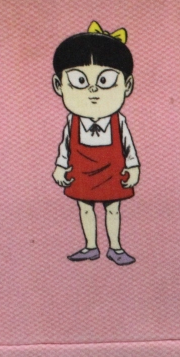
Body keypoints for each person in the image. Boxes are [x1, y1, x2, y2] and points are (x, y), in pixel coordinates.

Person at [52, 22, 141, 265]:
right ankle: (90, 246)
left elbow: (128, 148)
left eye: (105, 81)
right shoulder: (72, 122)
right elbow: (65, 148)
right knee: (85, 208)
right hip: (81, 171)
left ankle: (115, 247)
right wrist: (60, 166)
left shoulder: (118, 121)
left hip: (113, 172)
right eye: (80, 81)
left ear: (127, 86)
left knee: (113, 208)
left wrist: (133, 167)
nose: (93, 90)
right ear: (59, 86)